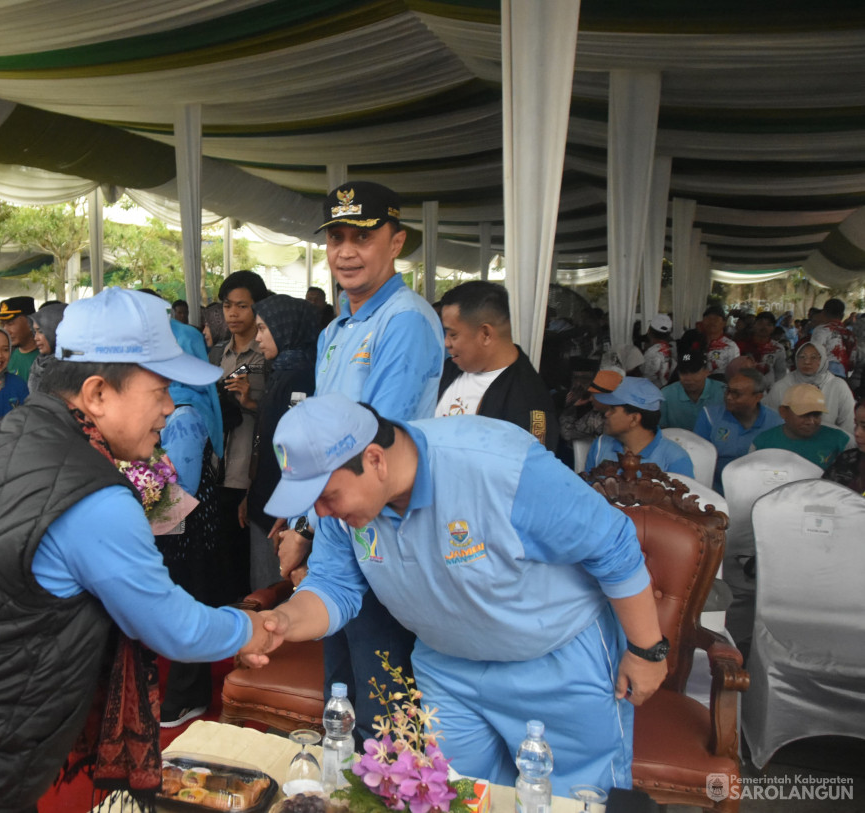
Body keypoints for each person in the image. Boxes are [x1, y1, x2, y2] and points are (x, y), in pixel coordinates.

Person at [0, 288, 277, 813]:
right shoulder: (94, 495)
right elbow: (173, 626)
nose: (169, 408)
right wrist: (252, 627)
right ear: (96, 394)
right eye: (161, 390)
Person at [255, 393, 667, 797]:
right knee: (454, 798)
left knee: (570, 802)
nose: (322, 514)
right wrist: (282, 622)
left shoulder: (498, 465)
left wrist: (647, 650)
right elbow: (333, 586)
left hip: (554, 663)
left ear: (375, 459)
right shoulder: (343, 513)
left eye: (327, 496)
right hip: (449, 671)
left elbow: (612, 545)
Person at [276, 181, 444, 741]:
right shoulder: (334, 330)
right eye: (336, 238)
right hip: (336, 530)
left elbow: (370, 446)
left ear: (396, 242)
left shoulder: (406, 320)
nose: (346, 251)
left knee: (385, 710)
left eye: (363, 237)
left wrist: (307, 520)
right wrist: (307, 518)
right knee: (340, 707)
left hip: (383, 532)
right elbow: (321, 437)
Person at [155, 319, 228, 728]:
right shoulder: (191, 401)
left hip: (181, 527)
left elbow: (179, 488)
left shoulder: (182, 413)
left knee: (187, 604)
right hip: (188, 524)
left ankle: (187, 696)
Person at [246, 295, 318, 590]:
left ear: (286, 329)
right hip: (267, 501)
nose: (258, 338)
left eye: (263, 329)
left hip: (283, 510)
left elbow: (297, 453)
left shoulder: (302, 379)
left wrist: (291, 510)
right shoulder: (281, 373)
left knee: (275, 591)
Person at [434, 281, 557, 451]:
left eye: (453, 334)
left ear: (485, 334)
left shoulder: (528, 404)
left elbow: (529, 473)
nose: (446, 343)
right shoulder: (451, 368)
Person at [215, 270, 270, 599]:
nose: (233, 314)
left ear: (258, 308)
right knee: (221, 556)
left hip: (247, 469)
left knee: (246, 558)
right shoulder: (216, 354)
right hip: (216, 465)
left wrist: (251, 401)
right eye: (227, 306)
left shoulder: (268, 355)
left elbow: (279, 414)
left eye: (242, 306)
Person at [584, 377, 693, 477]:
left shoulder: (675, 459)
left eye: (612, 409)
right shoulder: (600, 445)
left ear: (634, 419)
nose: (606, 414)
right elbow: (587, 492)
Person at [693, 368, 783, 491]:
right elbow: (699, 460)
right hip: (715, 491)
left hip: (759, 491)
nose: (729, 397)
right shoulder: (709, 416)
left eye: (736, 393)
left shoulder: (775, 423)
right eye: (727, 390)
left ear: (758, 397)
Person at [763, 341, 856, 439]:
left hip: (829, 444)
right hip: (788, 443)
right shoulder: (781, 387)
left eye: (814, 357)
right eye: (802, 357)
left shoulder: (838, 386)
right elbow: (772, 421)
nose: (807, 361)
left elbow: (848, 424)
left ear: (824, 359)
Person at [751, 383, 851, 468]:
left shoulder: (840, 441)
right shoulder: (762, 444)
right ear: (783, 412)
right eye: (804, 414)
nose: (811, 421)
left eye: (817, 414)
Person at [660, 346, 726, 431]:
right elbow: (662, 429)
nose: (688, 378)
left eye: (694, 372)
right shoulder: (666, 394)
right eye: (683, 372)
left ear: (707, 371)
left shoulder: (723, 392)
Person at [736, 310, 787, 391]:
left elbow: (780, 374)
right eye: (760, 323)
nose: (764, 327)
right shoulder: (741, 345)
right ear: (754, 325)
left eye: (768, 325)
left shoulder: (778, 349)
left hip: (768, 393)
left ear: (773, 328)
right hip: (743, 389)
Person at [822, 399, 865, 495]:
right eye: (856, 424)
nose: (857, 433)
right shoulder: (847, 460)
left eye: (864, 427)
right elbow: (822, 494)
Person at [26, 302, 67, 395]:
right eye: (34, 331)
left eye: (40, 331)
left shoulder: (70, 368)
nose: (35, 338)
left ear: (55, 329)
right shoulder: (39, 363)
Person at [809, 298, 855, 379]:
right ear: (842, 315)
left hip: (824, 374)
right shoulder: (850, 334)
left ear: (824, 313)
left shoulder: (821, 330)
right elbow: (852, 360)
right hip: (843, 375)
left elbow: (814, 353)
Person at [0, 296, 39, 382]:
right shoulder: (5, 357)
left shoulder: (45, 359)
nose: (5, 330)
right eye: (2, 324)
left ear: (30, 322)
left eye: (10, 323)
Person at [700, 306, 740, 378]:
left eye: (716, 319)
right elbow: (684, 359)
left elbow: (734, 371)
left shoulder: (731, 346)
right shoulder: (694, 341)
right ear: (703, 322)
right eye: (708, 318)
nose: (711, 322)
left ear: (724, 323)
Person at [639, 314, 675, 389]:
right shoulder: (673, 347)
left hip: (654, 392)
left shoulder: (652, 353)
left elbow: (647, 379)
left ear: (649, 330)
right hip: (668, 388)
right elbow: (685, 359)